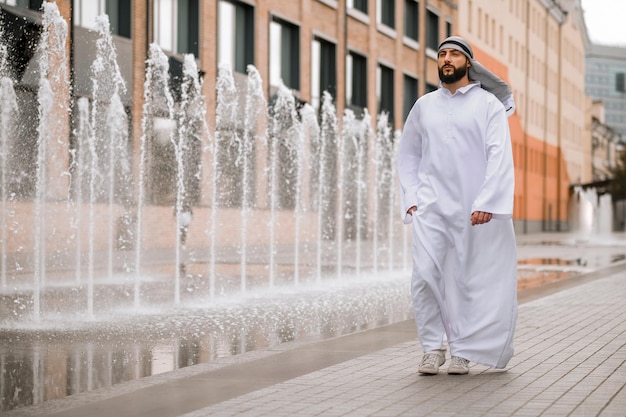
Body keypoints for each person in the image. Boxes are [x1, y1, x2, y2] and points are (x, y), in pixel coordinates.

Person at [397, 36, 518, 375]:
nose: (446, 59)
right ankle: (432, 348)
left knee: (466, 279)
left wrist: (487, 201)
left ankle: (462, 350)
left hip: (473, 210)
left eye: (454, 54)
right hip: (430, 208)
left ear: (468, 62)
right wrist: (411, 200)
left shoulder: (487, 105)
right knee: (424, 276)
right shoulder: (424, 106)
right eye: (442, 54)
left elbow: (499, 156)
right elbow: (408, 154)